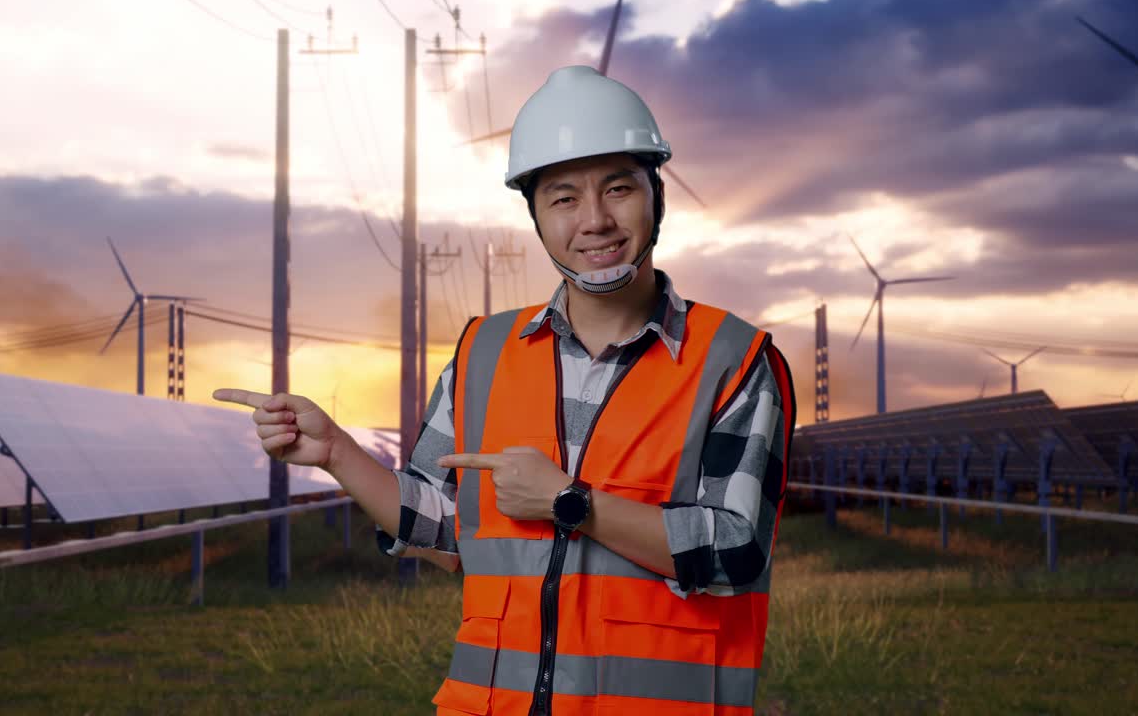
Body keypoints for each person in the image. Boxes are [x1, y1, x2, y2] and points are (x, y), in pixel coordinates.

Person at [215, 65, 796, 716]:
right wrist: (336, 454)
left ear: (656, 195)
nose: (596, 220)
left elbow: (735, 550)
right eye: (564, 198)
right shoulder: (482, 354)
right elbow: (446, 530)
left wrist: (569, 503)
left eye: (618, 188)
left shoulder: (733, 361)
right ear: (537, 217)